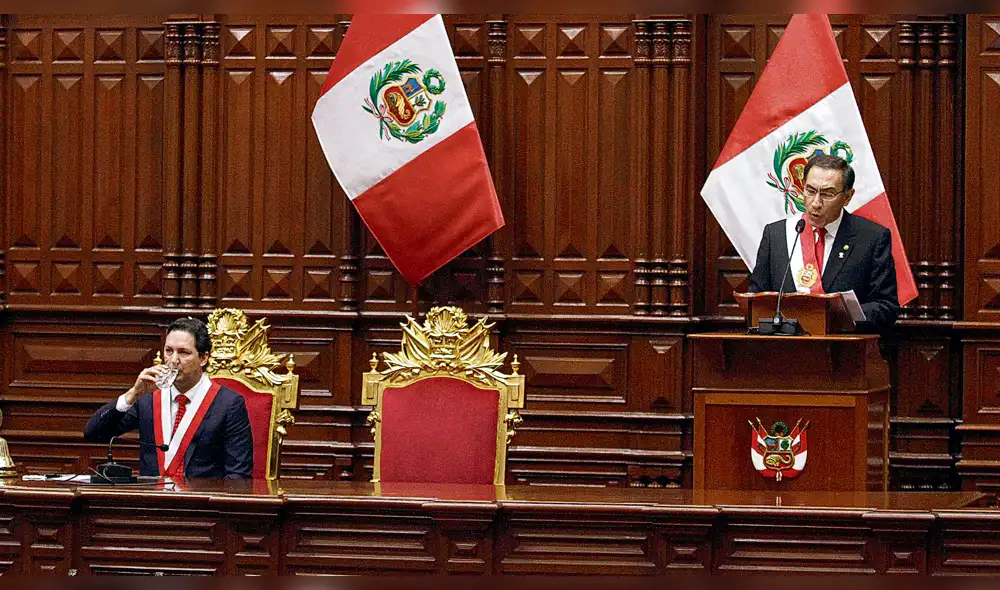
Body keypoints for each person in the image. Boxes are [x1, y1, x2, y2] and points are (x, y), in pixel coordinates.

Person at [85, 317, 253, 479]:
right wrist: (133, 394)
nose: (173, 361)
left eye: (183, 352)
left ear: (203, 358)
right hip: (152, 502)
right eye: (169, 351)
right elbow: (93, 433)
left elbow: (238, 474)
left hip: (200, 503)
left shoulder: (228, 404)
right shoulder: (148, 399)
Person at [748, 154, 899, 331]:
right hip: (784, 350)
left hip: (844, 350)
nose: (816, 203)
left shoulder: (871, 238)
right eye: (810, 191)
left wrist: (833, 315)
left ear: (847, 197)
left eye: (827, 194)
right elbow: (755, 301)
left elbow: (886, 308)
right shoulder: (776, 236)